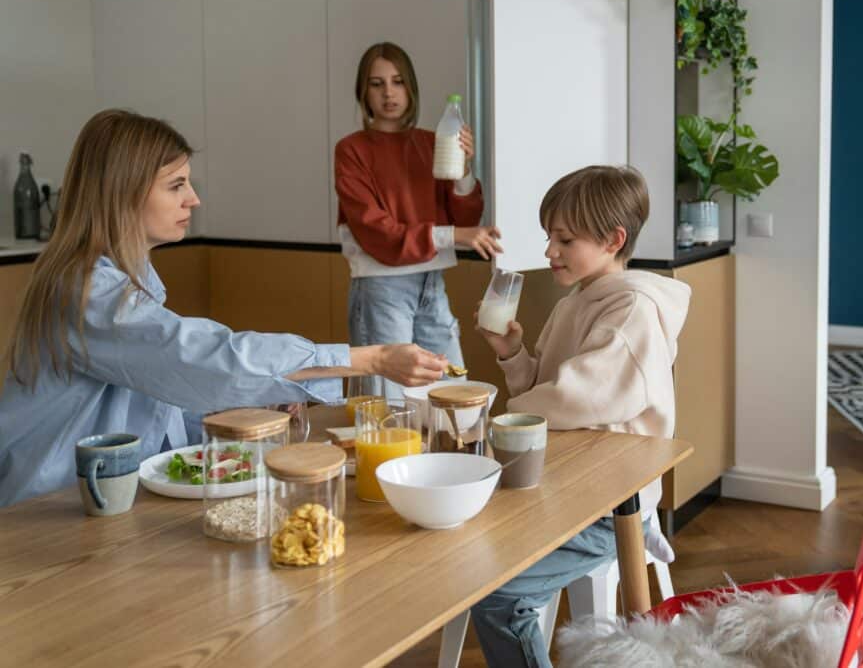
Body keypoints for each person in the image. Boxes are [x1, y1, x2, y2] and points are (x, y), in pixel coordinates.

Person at [0, 109, 446, 507]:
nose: (192, 199)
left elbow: (166, 396)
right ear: (123, 194)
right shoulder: (86, 289)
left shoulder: (132, 281)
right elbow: (201, 359)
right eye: (176, 186)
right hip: (41, 519)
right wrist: (372, 358)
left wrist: (255, 399)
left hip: (97, 503)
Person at [471, 165, 692, 667]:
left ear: (613, 239)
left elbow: (576, 399)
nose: (549, 250)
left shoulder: (632, 309)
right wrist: (513, 352)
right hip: (564, 486)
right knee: (465, 553)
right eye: (549, 236)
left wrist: (509, 416)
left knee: (498, 597)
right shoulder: (576, 303)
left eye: (564, 239)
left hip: (609, 506)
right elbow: (547, 393)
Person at [334, 42, 502, 398]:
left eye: (397, 81)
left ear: (411, 88)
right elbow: (376, 232)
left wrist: (463, 171)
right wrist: (455, 235)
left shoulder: (432, 142)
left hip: (431, 282)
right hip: (381, 288)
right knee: (391, 407)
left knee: (454, 393)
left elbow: (466, 215)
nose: (388, 92)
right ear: (362, 92)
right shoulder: (352, 150)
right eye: (376, 83)